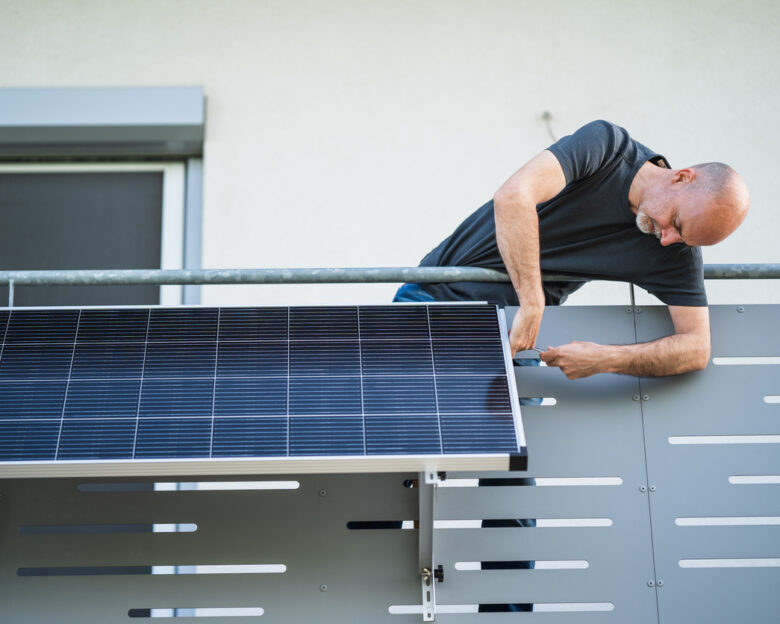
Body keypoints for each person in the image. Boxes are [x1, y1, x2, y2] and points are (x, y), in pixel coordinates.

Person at [395, 120, 750, 378]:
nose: (670, 239)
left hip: (514, 340)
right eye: (678, 223)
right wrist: (532, 304)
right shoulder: (608, 147)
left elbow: (696, 348)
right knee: (398, 447)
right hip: (433, 302)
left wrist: (606, 359)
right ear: (681, 178)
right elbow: (514, 196)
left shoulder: (674, 249)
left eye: (686, 240)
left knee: (513, 471)